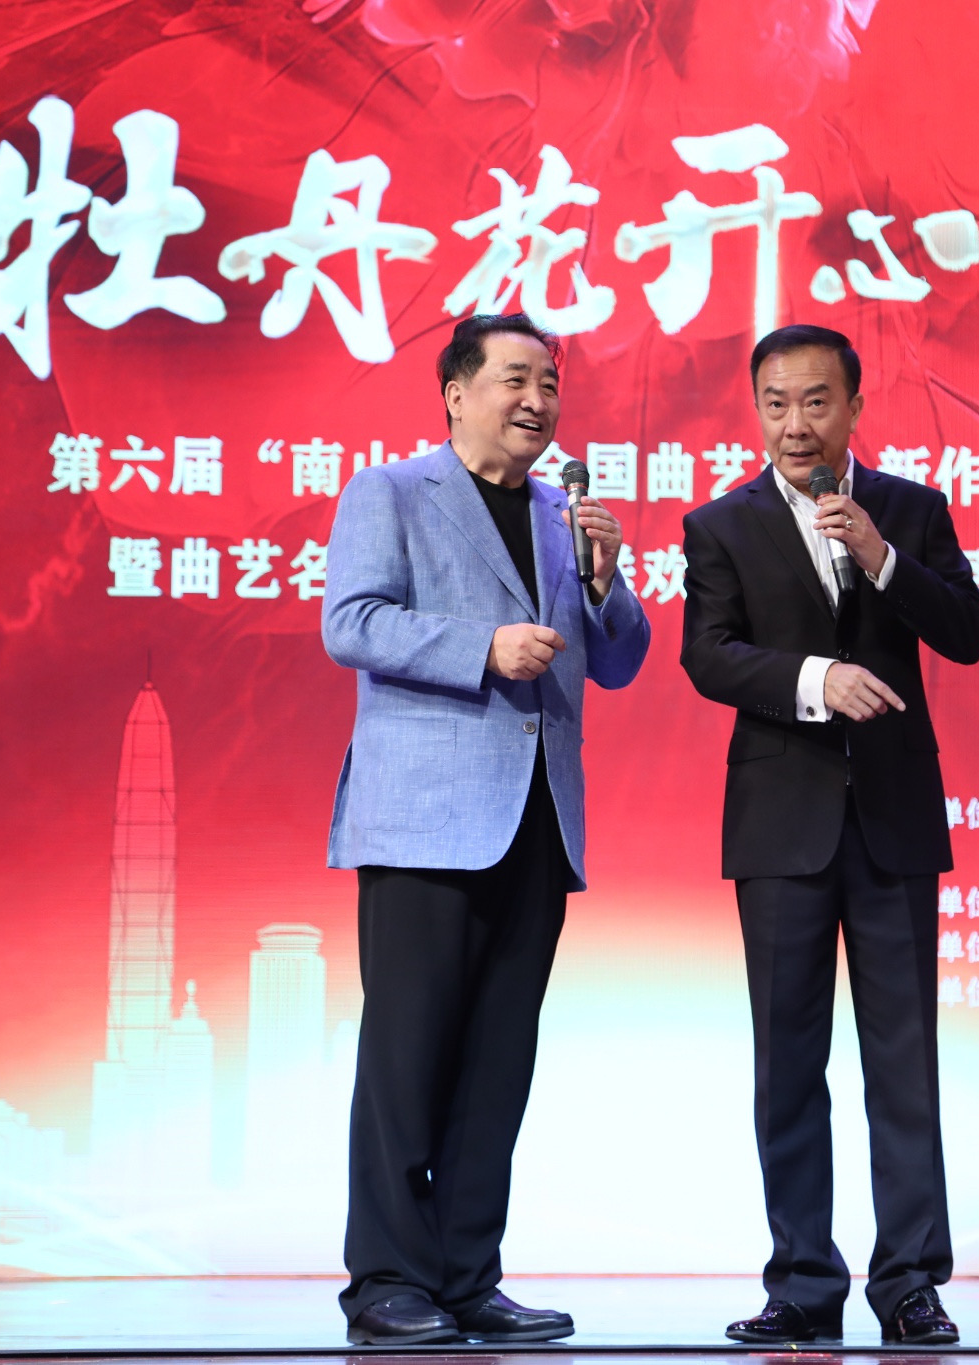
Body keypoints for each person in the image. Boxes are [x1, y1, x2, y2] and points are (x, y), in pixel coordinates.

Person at [321, 312, 650, 1345]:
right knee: (408, 1056)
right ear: (455, 393)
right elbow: (350, 622)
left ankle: (468, 1278)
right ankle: (386, 1280)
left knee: (498, 1062)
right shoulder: (390, 491)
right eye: (515, 380)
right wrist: (483, 647)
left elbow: (618, 660)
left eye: (548, 384)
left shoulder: (562, 514)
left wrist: (605, 580)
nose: (537, 402)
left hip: (538, 817)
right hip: (425, 819)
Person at [680, 324, 979, 1345]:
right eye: (775, 403)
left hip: (893, 820)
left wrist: (879, 556)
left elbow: (968, 632)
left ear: (854, 406)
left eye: (815, 401)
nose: (794, 424)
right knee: (788, 1064)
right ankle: (801, 1285)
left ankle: (909, 1284)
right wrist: (817, 680)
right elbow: (708, 656)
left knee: (903, 1061)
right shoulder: (719, 525)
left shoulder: (910, 510)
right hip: (781, 827)